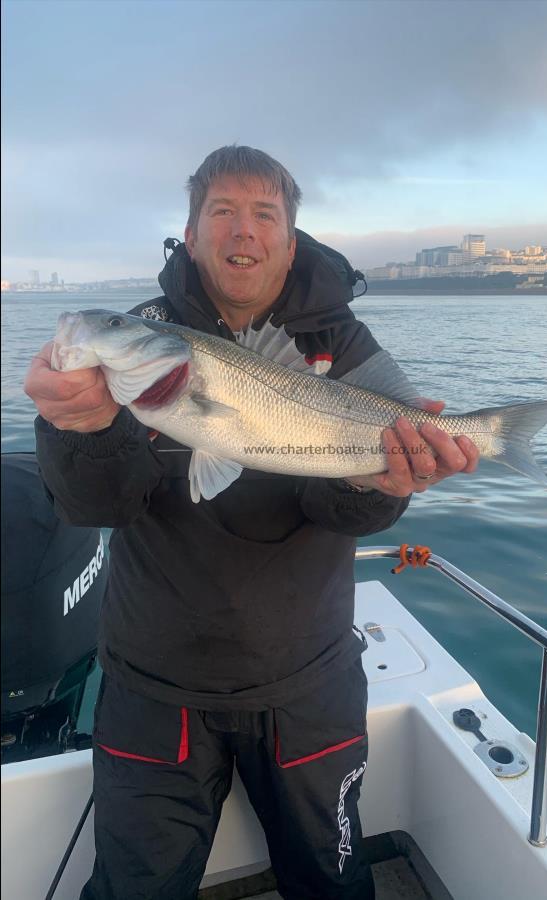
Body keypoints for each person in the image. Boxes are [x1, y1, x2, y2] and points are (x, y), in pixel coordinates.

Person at [24, 146, 479, 900]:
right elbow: (100, 508)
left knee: (330, 882)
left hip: (307, 680)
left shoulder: (347, 346)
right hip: (153, 680)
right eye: (222, 212)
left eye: (263, 213)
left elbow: (339, 512)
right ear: (192, 232)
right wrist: (81, 428)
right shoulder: (143, 339)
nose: (243, 230)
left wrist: (379, 483)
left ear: (289, 239)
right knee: (134, 886)